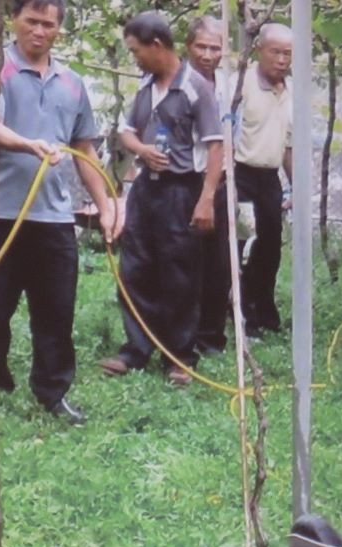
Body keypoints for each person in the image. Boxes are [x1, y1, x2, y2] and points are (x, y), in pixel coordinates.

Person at [0, 0, 118, 425]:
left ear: (59, 29)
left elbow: (84, 147)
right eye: (31, 21)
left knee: (56, 310)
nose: (39, 31)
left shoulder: (73, 83)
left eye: (49, 24)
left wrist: (106, 206)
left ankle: (53, 392)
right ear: (14, 21)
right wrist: (29, 144)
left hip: (54, 219)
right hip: (0, 215)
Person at [100, 12, 223, 385]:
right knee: (135, 268)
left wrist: (205, 200)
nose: (134, 57)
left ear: (157, 46)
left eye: (136, 50)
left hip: (180, 191)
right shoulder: (145, 85)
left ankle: (179, 357)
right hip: (145, 189)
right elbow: (127, 133)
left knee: (179, 273)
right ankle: (135, 351)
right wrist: (143, 149)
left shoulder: (195, 88)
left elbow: (216, 147)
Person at [234, 23, 293, 338]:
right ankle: (245, 315)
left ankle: (266, 309)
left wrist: (296, 186)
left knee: (271, 246)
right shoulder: (241, 85)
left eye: (288, 54)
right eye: (276, 52)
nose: (282, 60)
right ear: (260, 50)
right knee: (245, 245)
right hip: (241, 175)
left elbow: (289, 145)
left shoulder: (291, 91)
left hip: (270, 178)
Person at [185, 15, 231, 356]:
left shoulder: (230, 86)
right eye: (201, 46)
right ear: (188, 47)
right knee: (184, 260)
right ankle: (181, 335)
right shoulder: (175, 83)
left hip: (223, 180)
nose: (207, 54)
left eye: (215, 48)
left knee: (220, 263)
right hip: (185, 180)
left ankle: (212, 337)